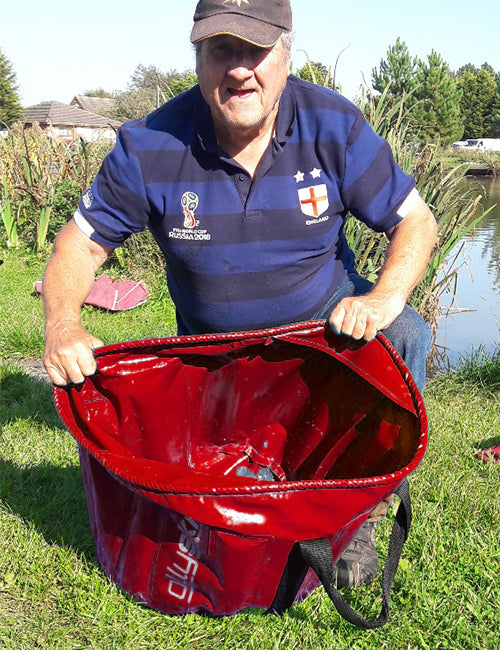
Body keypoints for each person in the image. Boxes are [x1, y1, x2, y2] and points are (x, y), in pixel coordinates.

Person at [42, 0, 437, 588]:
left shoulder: (333, 124)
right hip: (213, 349)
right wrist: (63, 325)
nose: (239, 69)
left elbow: (417, 221)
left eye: (256, 50)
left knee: (407, 333)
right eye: (221, 50)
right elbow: (79, 245)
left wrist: (383, 297)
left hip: (320, 332)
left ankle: (363, 516)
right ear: (197, 57)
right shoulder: (147, 143)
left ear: (286, 53)